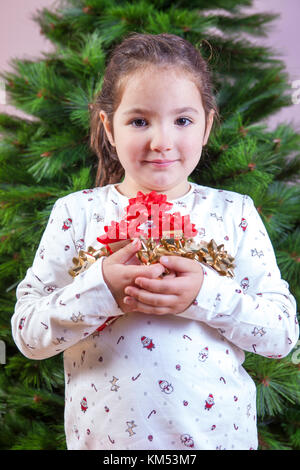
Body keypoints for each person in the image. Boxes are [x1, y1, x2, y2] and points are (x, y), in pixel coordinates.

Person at [11, 32, 298, 451]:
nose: (161, 141)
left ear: (206, 126)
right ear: (109, 126)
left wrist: (205, 293)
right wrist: (101, 291)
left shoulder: (233, 213)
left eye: (182, 120)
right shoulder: (77, 214)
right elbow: (28, 335)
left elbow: (281, 335)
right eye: (139, 121)